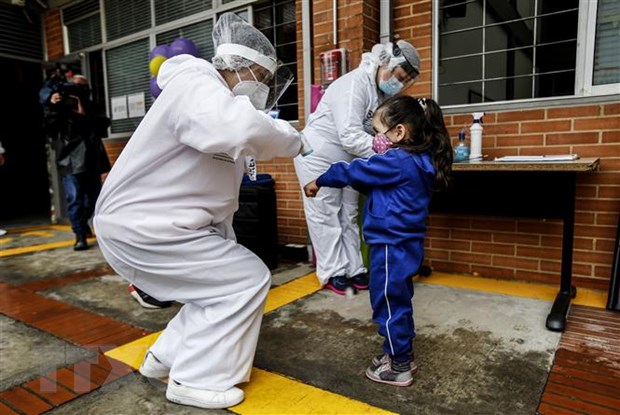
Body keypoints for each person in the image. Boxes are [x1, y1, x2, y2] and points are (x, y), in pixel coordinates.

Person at [93, 13, 304, 409]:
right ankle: (195, 379)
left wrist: (223, 245)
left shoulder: (215, 103)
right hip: (144, 225)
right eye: (262, 76)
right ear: (242, 67)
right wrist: (292, 139)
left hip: (157, 226)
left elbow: (216, 199)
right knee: (244, 281)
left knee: (218, 287)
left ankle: (163, 357)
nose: (264, 87)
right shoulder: (197, 84)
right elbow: (235, 129)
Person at [303, 95, 453, 387]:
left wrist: (320, 179)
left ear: (399, 132)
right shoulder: (418, 161)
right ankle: (399, 353)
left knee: (387, 303)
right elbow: (371, 180)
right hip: (404, 245)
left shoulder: (397, 160)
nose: (376, 139)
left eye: (378, 132)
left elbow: (354, 170)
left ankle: (399, 366)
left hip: (389, 245)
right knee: (399, 300)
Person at [294, 40, 420, 295]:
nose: (399, 83)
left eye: (404, 81)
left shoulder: (382, 94)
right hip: (317, 153)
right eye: (398, 75)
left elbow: (369, 134)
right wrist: (389, 152)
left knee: (349, 214)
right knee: (325, 213)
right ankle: (333, 272)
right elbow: (350, 135)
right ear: (386, 61)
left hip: (350, 159)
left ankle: (355, 268)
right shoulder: (355, 84)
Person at [42, 74, 111, 250]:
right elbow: (50, 130)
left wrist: (83, 114)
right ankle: (80, 234)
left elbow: (104, 126)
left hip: (92, 160)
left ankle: (83, 224)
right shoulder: (59, 108)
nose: (79, 89)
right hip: (70, 160)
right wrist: (53, 106)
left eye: (83, 86)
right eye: (76, 86)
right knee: (75, 199)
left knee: (94, 200)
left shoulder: (91, 107)